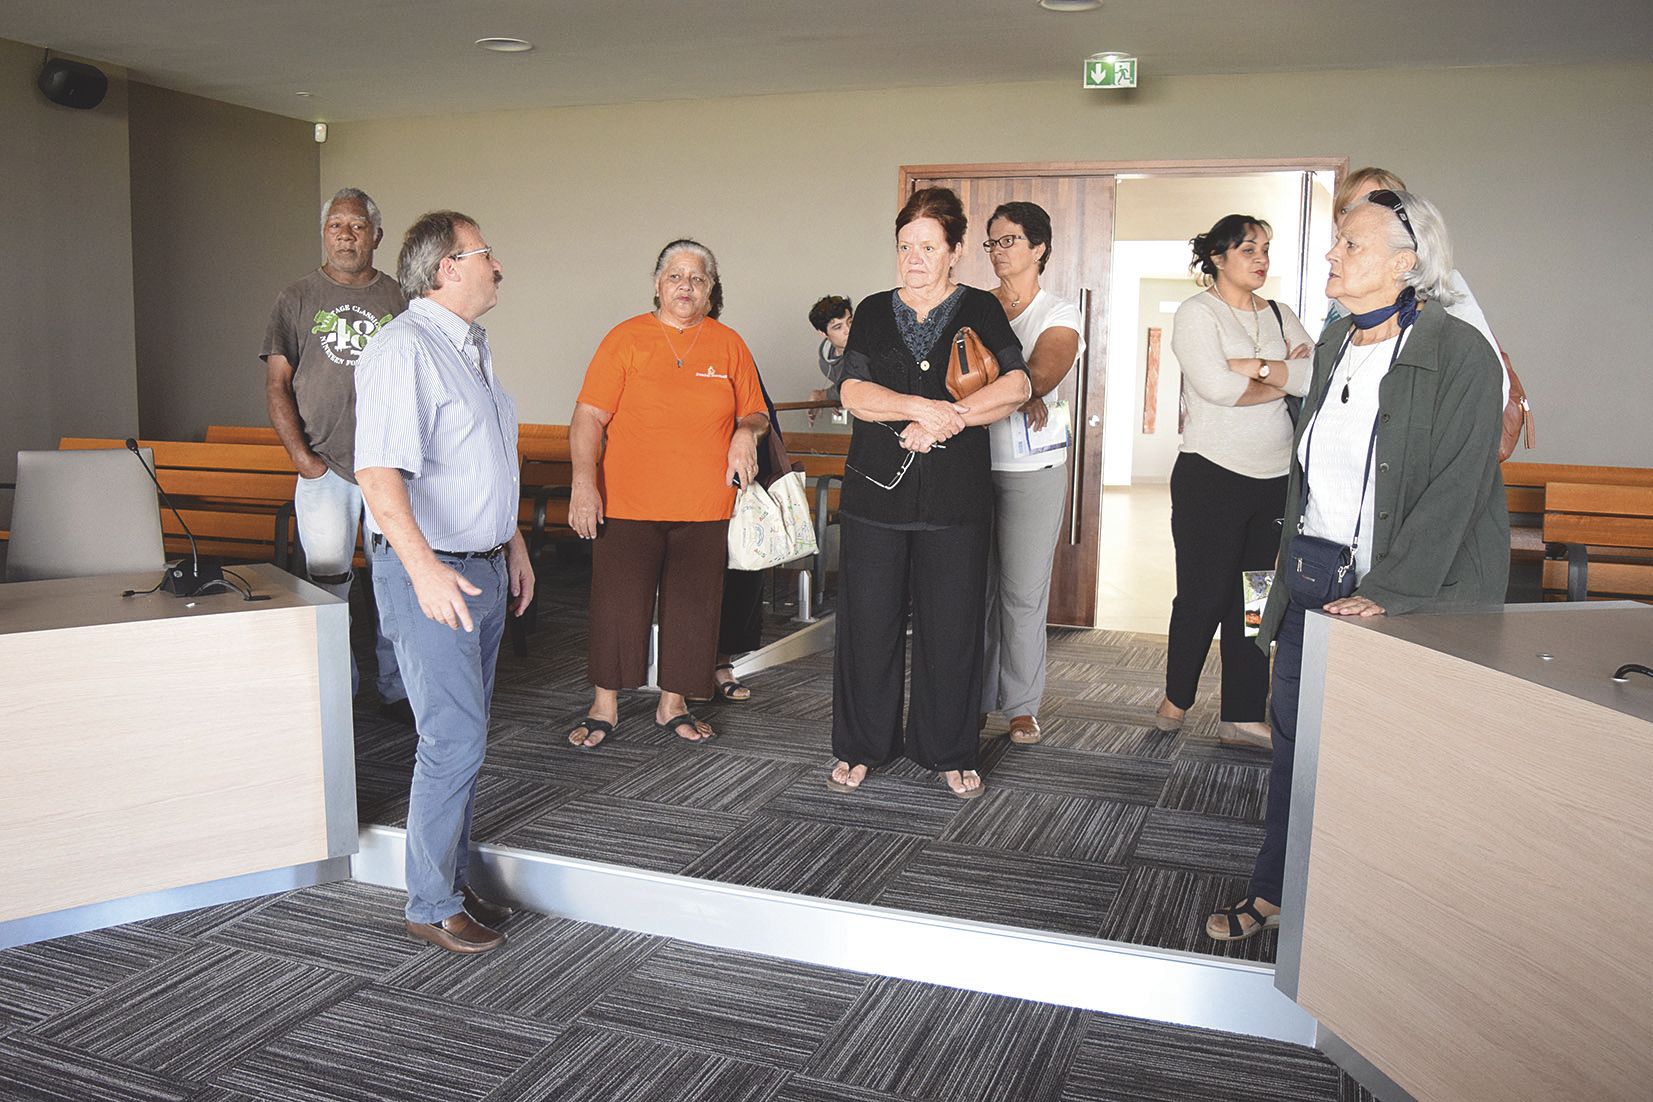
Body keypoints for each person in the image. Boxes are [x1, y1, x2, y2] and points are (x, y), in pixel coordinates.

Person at [1207, 190, 1508, 941]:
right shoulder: (1338, 341)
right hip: (1315, 576)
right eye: (1336, 243)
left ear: (1406, 266)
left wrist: (1386, 592)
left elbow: (1459, 486)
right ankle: (1275, 888)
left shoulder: (1458, 351)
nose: (1331, 257)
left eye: (1351, 246)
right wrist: (1280, 596)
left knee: (1383, 760)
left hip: (1405, 596)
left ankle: (1372, 918)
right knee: (1295, 744)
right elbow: (1306, 481)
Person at [355, 210, 534, 954]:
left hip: (482, 566)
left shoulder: (471, 347)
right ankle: (429, 903)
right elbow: (376, 472)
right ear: (445, 268)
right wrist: (424, 568)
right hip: (434, 574)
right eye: (485, 253)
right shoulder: (405, 350)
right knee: (451, 739)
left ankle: (451, 877)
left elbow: (483, 462)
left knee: (466, 735)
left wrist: (514, 542)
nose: (498, 265)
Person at [830, 187, 1032, 799]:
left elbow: (1018, 385)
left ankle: (947, 747)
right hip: (875, 498)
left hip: (955, 501)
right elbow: (853, 393)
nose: (913, 259)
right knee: (869, 626)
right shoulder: (870, 309)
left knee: (953, 628)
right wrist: (923, 407)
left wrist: (952, 419)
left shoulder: (981, 308)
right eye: (904, 247)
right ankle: (864, 745)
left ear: (955, 251)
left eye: (927, 247)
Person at [566, 239, 768, 748]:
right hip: (628, 503)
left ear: (711, 289)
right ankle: (604, 703)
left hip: (705, 505)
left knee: (695, 606)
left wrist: (746, 432)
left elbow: (755, 412)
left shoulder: (729, 343)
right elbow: (589, 415)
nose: (686, 286)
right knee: (617, 604)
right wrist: (583, 482)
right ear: (657, 283)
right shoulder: (625, 339)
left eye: (698, 278)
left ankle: (672, 703)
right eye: (676, 276)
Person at [1155, 215, 1313, 751]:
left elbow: (1316, 377)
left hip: (1273, 479)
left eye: (1266, 249)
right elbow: (1217, 388)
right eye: (1249, 249)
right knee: (1203, 595)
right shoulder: (1198, 314)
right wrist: (1280, 375)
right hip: (1211, 475)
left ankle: (1242, 715)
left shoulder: (1281, 314)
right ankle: (1177, 697)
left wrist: (1256, 367)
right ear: (1218, 258)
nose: (1262, 258)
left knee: (1255, 598)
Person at [261, 187, 411, 722]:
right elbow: (277, 384)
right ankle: (339, 692)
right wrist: (303, 458)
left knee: (397, 583)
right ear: (324, 234)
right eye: (336, 226)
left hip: (388, 468)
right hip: (325, 469)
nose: (346, 235)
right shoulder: (296, 297)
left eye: (357, 226)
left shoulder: (399, 298)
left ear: (376, 236)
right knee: (328, 585)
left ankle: (397, 690)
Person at [978, 201, 1083, 746]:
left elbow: (1043, 372)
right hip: (969, 465)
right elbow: (948, 379)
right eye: (992, 242)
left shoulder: (1058, 311)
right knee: (974, 591)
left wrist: (1019, 384)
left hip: (1030, 470)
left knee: (1021, 592)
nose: (999, 252)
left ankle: (1020, 705)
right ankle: (971, 699)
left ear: (1039, 247)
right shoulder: (971, 305)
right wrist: (1016, 390)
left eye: (1010, 241)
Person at [1328, 167, 1510, 411]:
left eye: (1376, 200)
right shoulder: (1343, 299)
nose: (1362, 211)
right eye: (1347, 208)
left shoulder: (1443, 289)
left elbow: (1486, 384)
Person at [807, 294, 853, 423]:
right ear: (823, 333)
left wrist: (823, 395)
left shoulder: (868, 350)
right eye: (838, 327)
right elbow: (848, 386)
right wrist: (836, 396)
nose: (848, 330)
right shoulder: (825, 364)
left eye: (850, 321)